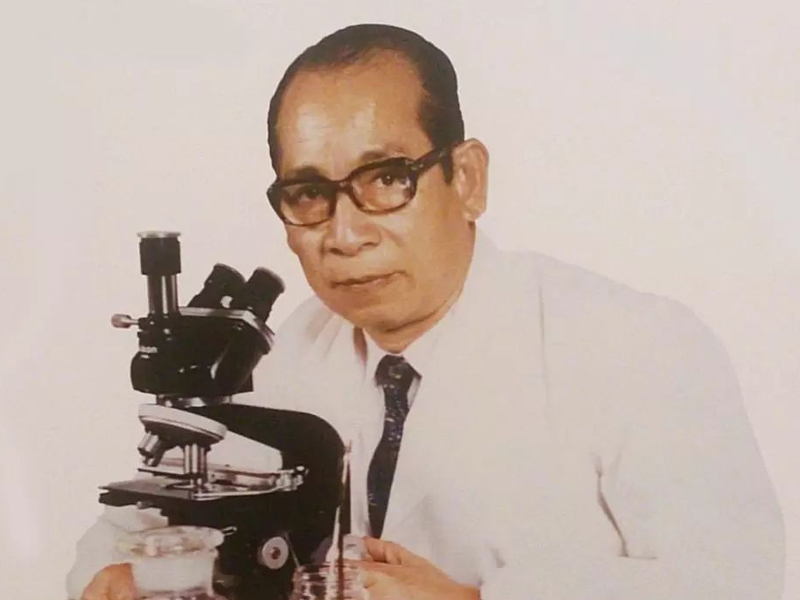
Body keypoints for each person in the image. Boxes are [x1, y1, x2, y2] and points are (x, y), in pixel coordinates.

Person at [69, 24, 784, 600]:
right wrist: (116, 577)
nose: (346, 234)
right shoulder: (291, 352)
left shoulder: (639, 346)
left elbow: (733, 585)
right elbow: (134, 528)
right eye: (309, 193)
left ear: (466, 179)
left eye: (387, 179)